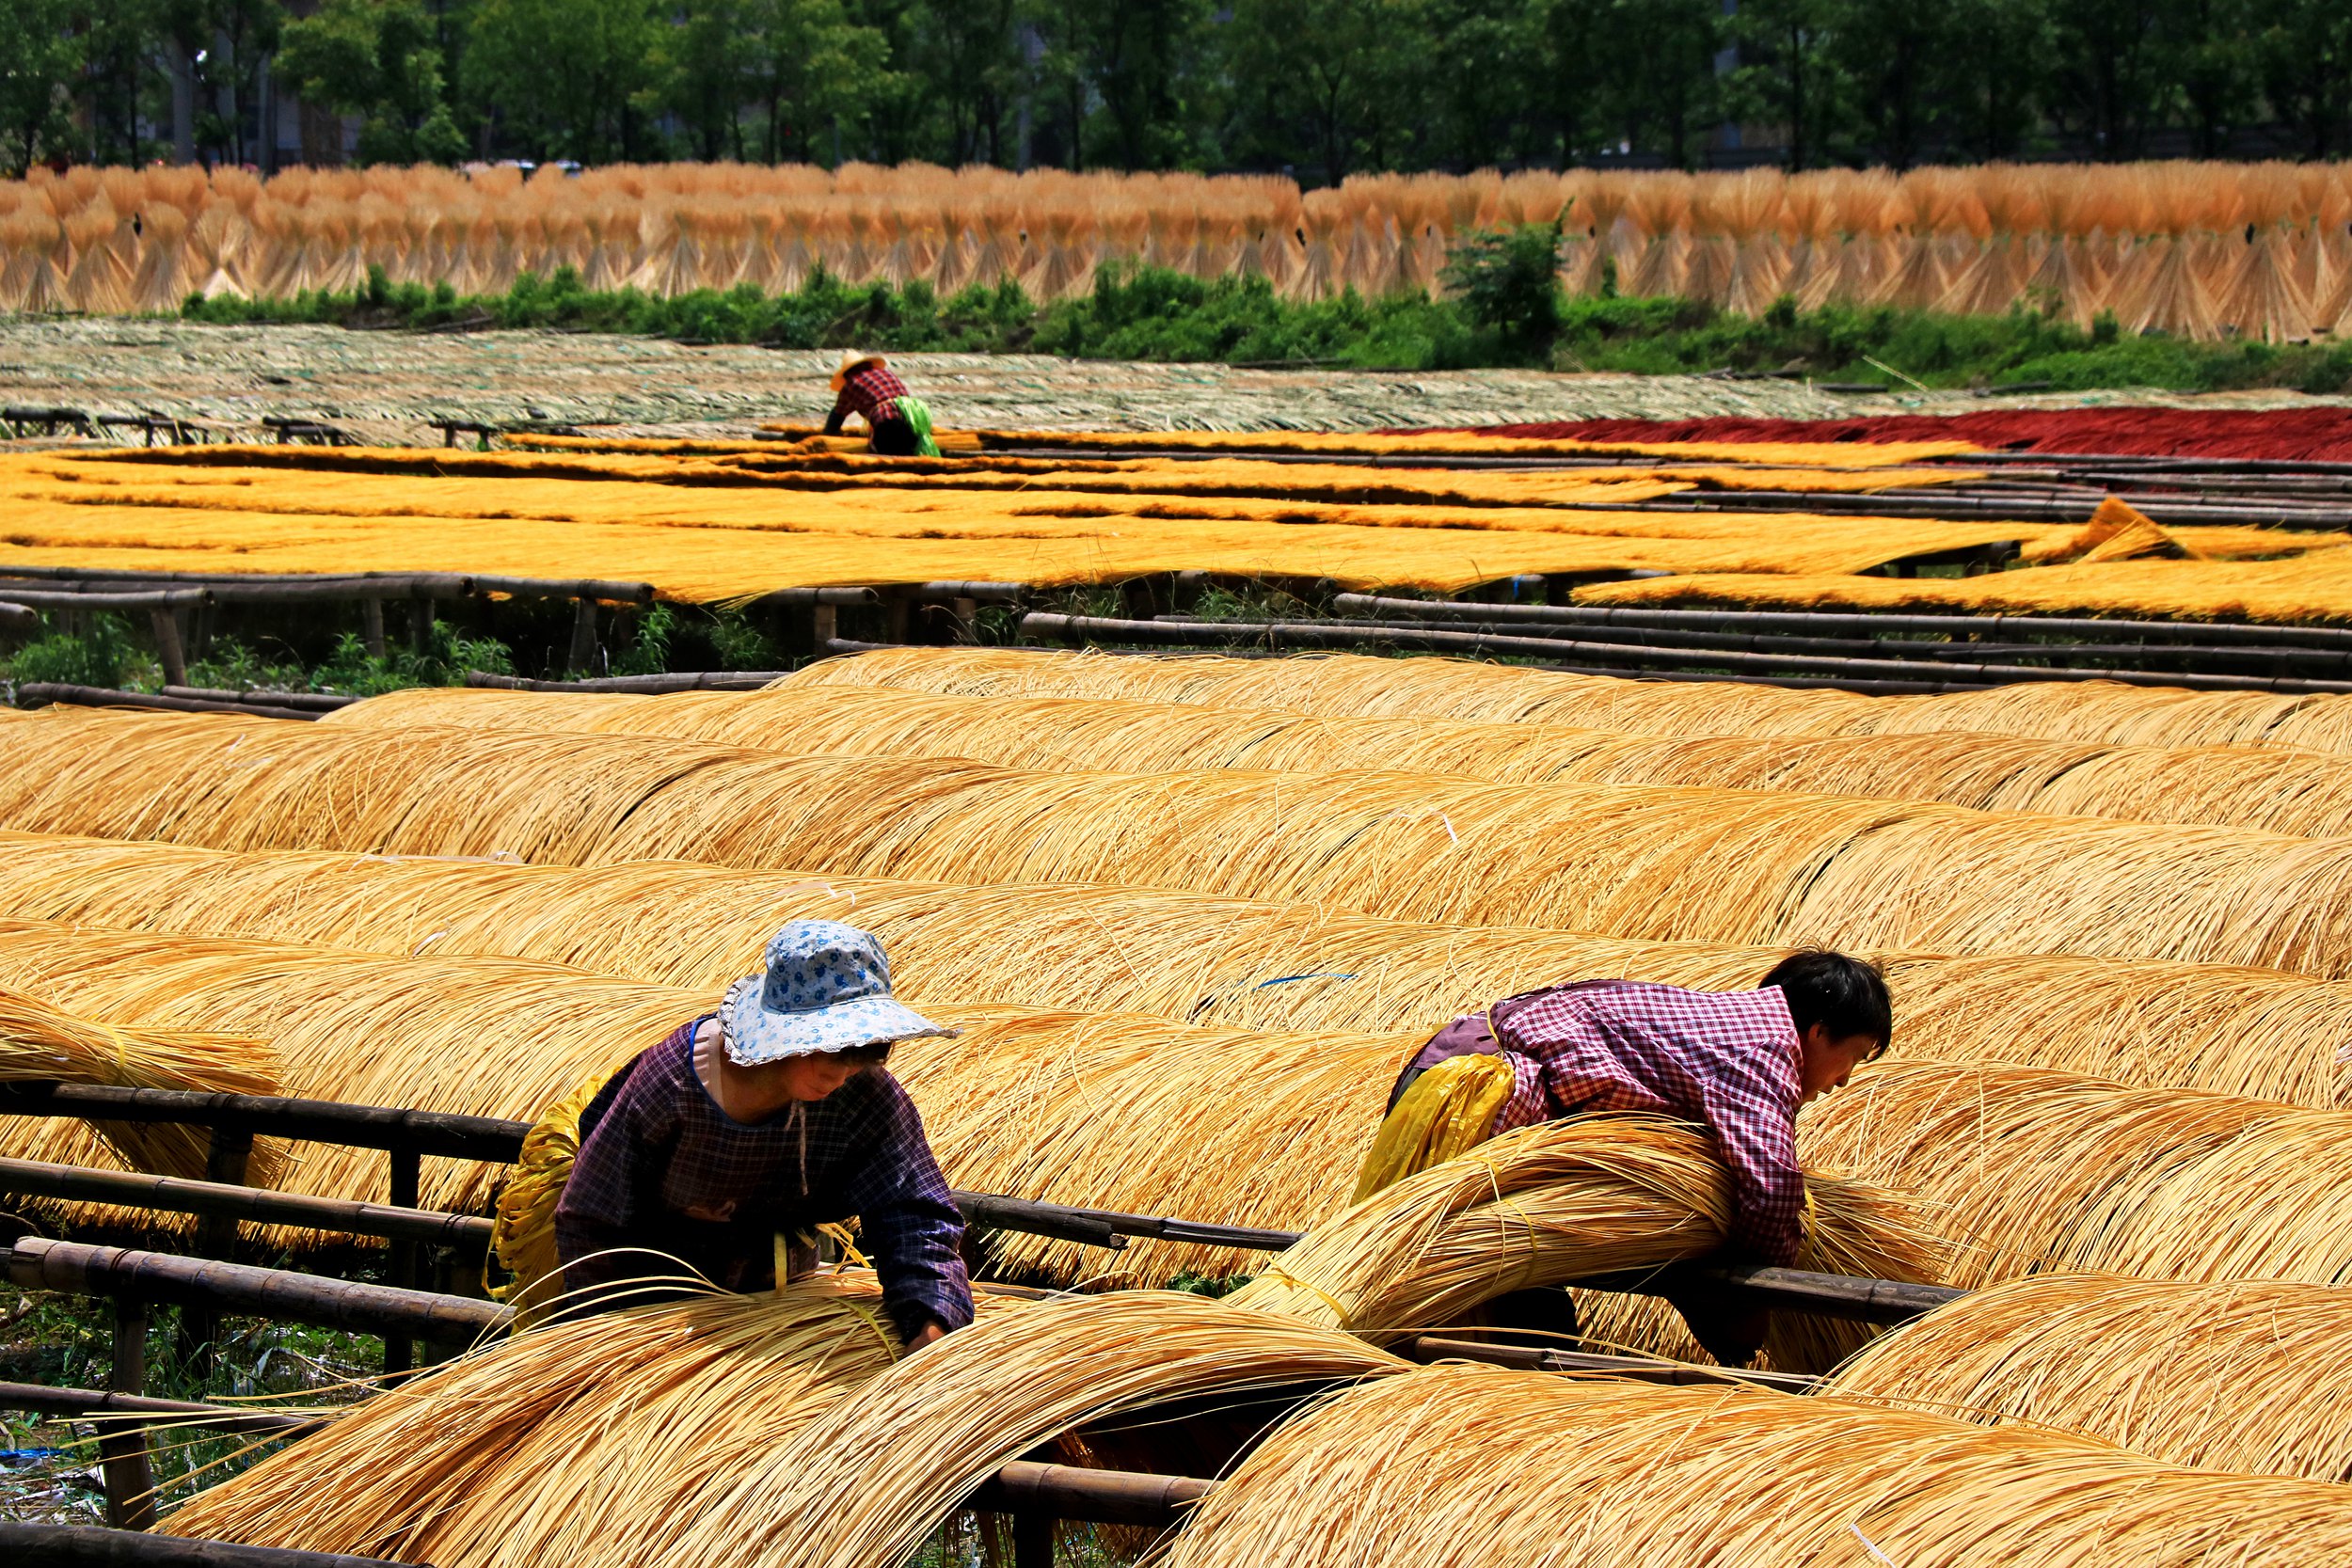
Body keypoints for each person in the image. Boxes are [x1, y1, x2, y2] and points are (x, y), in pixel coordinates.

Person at [1370, 948, 1892, 1365]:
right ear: (1819, 1031)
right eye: (1855, 1057)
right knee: (1456, 1281)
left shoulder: (1736, 1027)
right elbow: (1770, 1185)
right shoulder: (1764, 1048)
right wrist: (1755, 1296)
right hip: (1476, 1099)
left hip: (1463, 1075)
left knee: (1491, 1289)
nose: (1845, 1078)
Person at [552, 919, 973, 1349]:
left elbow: (913, 1209)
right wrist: (609, 1334)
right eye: (828, 1047)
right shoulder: (673, 1084)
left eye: (861, 1052)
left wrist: (930, 1319)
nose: (839, 1072)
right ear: (780, 1035)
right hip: (656, 1305)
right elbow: (593, 1218)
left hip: (781, 1298)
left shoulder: (861, 1093)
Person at [823, 349, 941, 456]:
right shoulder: (885, 373)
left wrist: (826, 437)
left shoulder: (852, 384)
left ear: (847, 373)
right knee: (909, 451)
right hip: (914, 417)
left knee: (887, 454)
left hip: (888, 418)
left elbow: (837, 415)